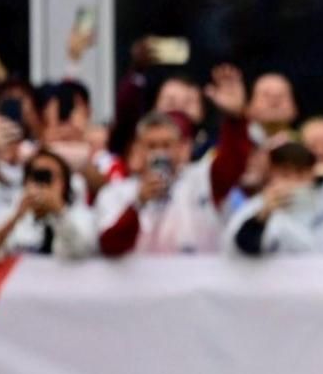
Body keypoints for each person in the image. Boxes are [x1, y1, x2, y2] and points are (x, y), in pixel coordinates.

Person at [96, 68, 251, 257]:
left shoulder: (201, 180)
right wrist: (138, 202)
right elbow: (110, 246)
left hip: (200, 285)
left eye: (167, 145)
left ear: (182, 149)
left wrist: (236, 120)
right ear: (136, 151)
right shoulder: (115, 193)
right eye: (151, 146)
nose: (160, 152)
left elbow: (233, 163)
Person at [0, 147, 98, 263]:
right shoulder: (7, 214)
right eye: (37, 176)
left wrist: (59, 212)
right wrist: (15, 219)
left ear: (65, 184)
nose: (44, 183)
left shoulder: (82, 215)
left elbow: (82, 252)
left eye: (50, 176)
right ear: (26, 181)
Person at [225, 142, 323, 257]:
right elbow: (242, 248)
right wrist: (263, 215)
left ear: (312, 174)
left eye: (300, 175)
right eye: (285, 174)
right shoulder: (255, 209)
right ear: (271, 174)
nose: (293, 182)